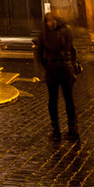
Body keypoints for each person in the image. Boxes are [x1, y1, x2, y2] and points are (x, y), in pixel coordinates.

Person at [36, 11, 79, 142]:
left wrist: (71, 63)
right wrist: (46, 66)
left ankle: (72, 126)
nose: (51, 23)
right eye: (48, 21)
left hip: (65, 68)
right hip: (52, 69)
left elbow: (72, 49)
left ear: (57, 20)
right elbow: (39, 52)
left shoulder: (66, 31)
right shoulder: (44, 34)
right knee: (53, 100)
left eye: (53, 20)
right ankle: (56, 128)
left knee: (69, 99)